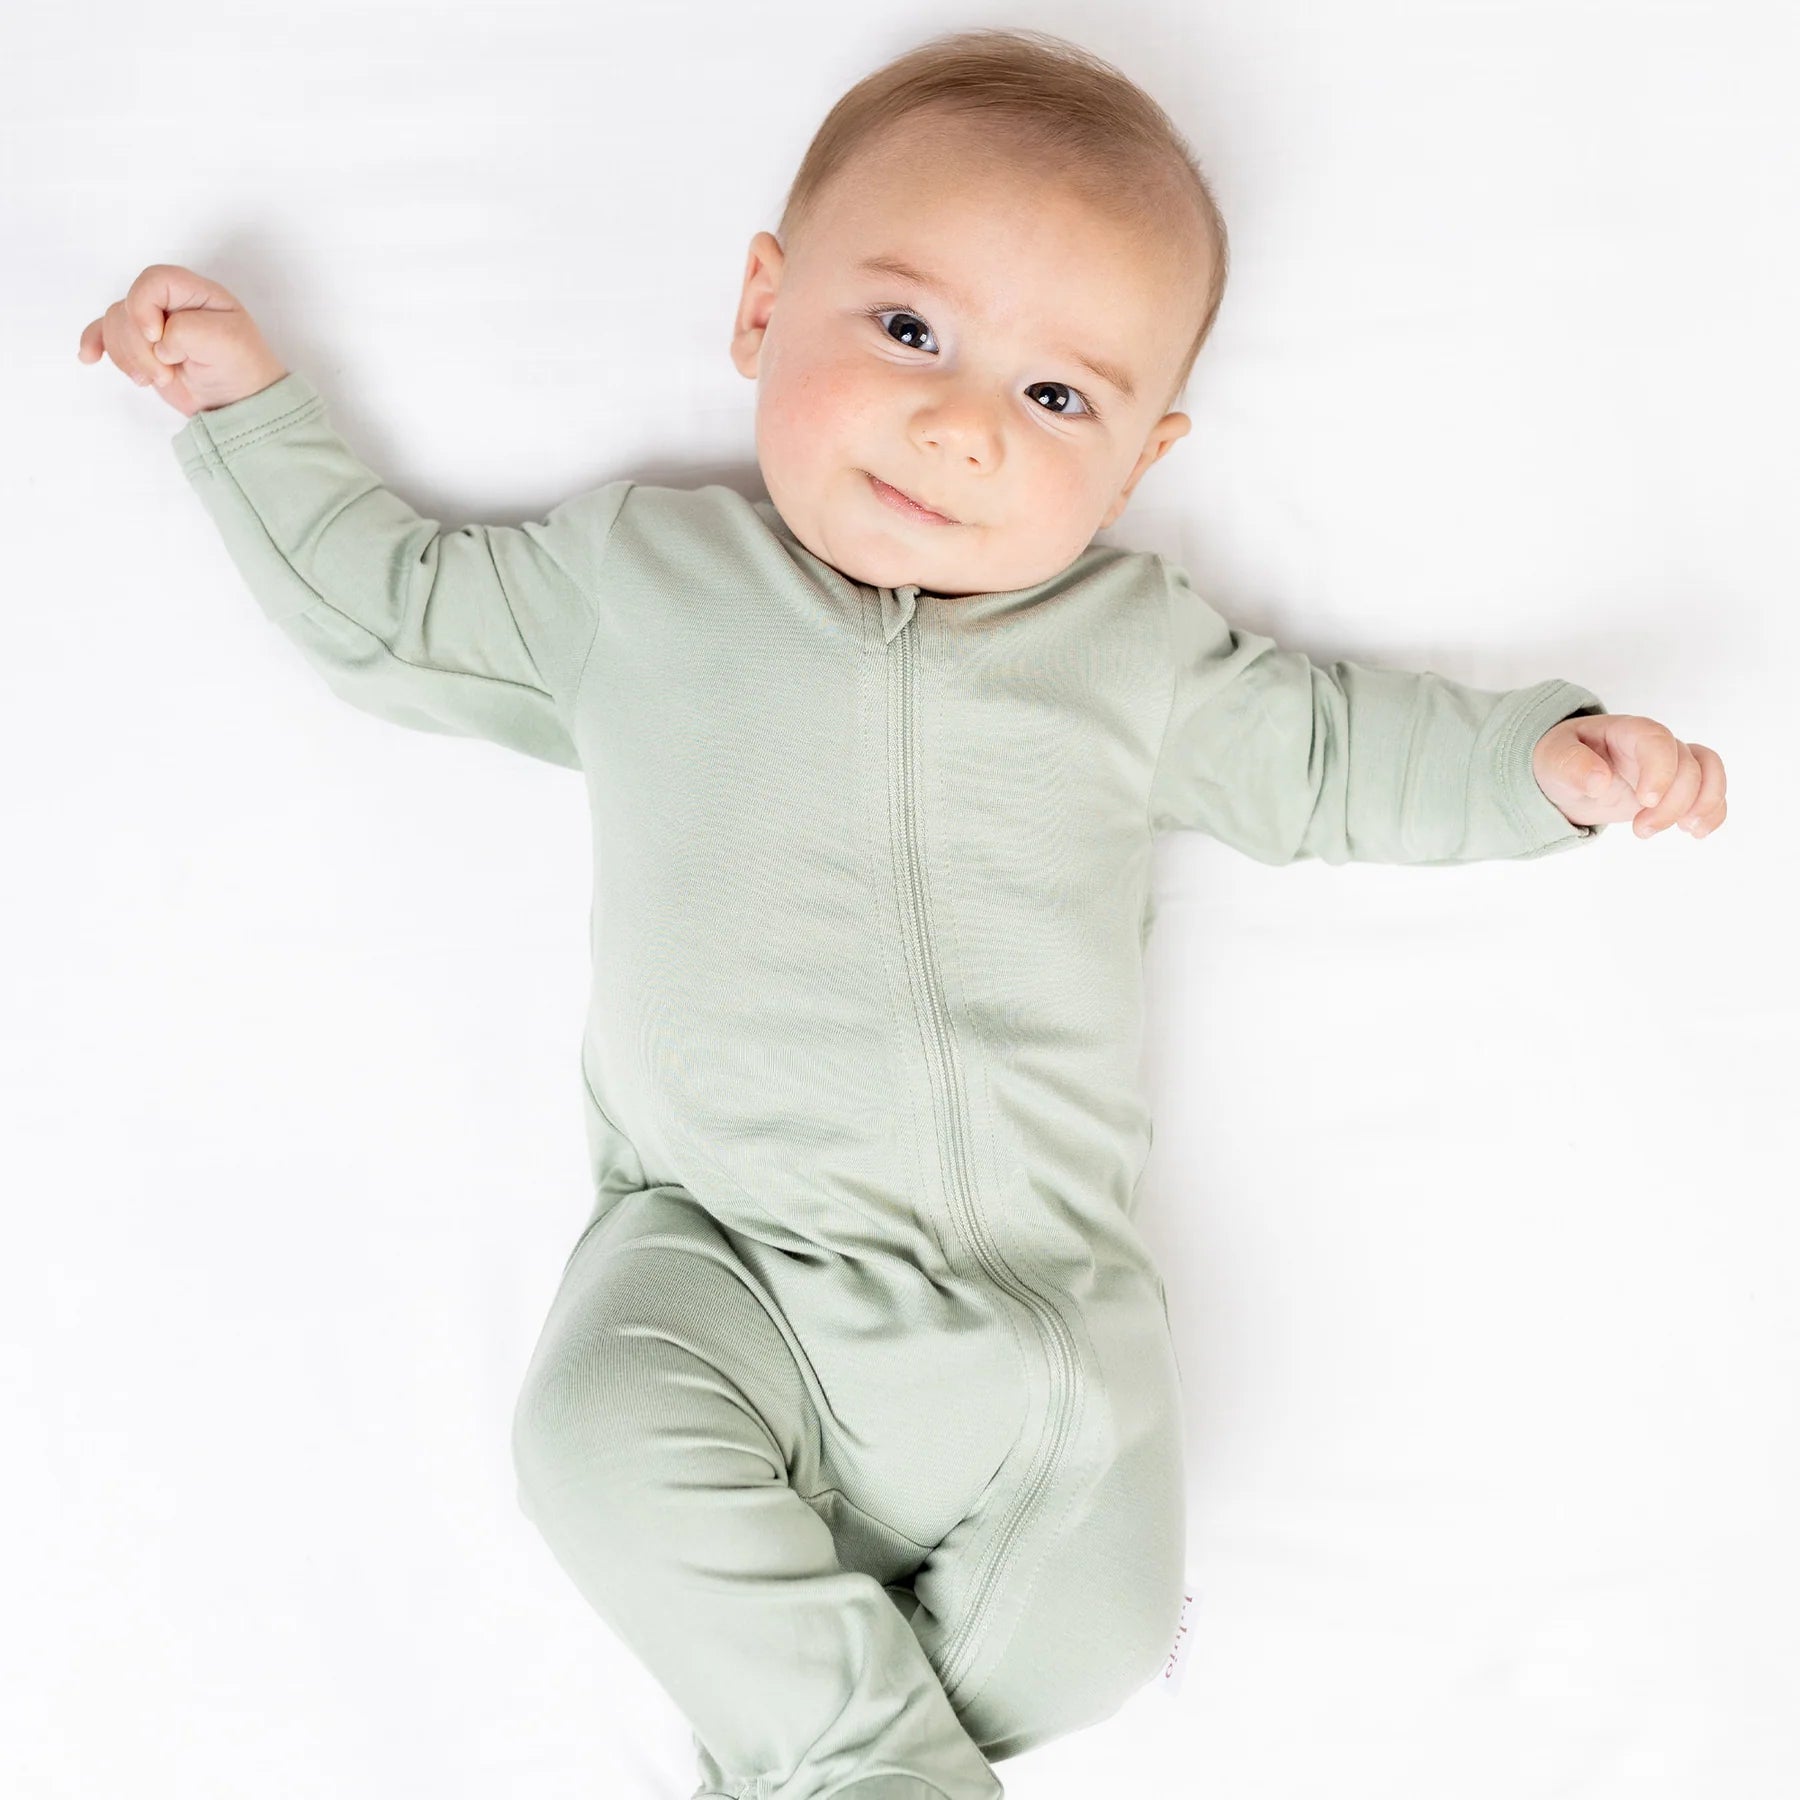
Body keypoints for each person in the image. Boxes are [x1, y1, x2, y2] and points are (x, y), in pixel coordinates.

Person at [77, 26, 1727, 1800]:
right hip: (723, 1268)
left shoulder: (1136, 656)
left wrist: (1534, 768)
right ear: (761, 308)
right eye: (911, 331)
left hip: (1046, 1341)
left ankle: (822, 1750)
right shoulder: (642, 582)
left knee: (1103, 1646)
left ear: (1141, 462)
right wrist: (246, 413)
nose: (961, 427)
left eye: (1058, 399)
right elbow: (390, 612)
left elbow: (1330, 756)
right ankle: (868, 1762)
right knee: (589, 1437)